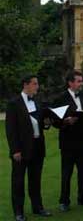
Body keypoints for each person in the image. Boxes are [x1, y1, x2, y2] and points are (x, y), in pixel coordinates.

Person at [5, 75, 52, 221]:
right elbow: (10, 129)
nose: (37, 86)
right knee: (18, 181)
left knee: (35, 180)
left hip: (37, 146)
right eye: (35, 84)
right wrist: (15, 150)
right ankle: (18, 212)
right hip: (21, 149)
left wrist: (46, 123)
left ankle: (38, 208)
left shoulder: (38, 101)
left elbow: (41, 123)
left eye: (37, 84)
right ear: (26, 85)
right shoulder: (14, 103)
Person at [53, 70, 83, 212]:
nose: (81, 83)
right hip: (69, 141)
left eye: (82, 81)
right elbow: (54, 121)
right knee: (67, 173)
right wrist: (65, 121)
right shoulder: (60, 98)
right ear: (70, 83)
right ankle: (64, 201)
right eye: (78, 81)